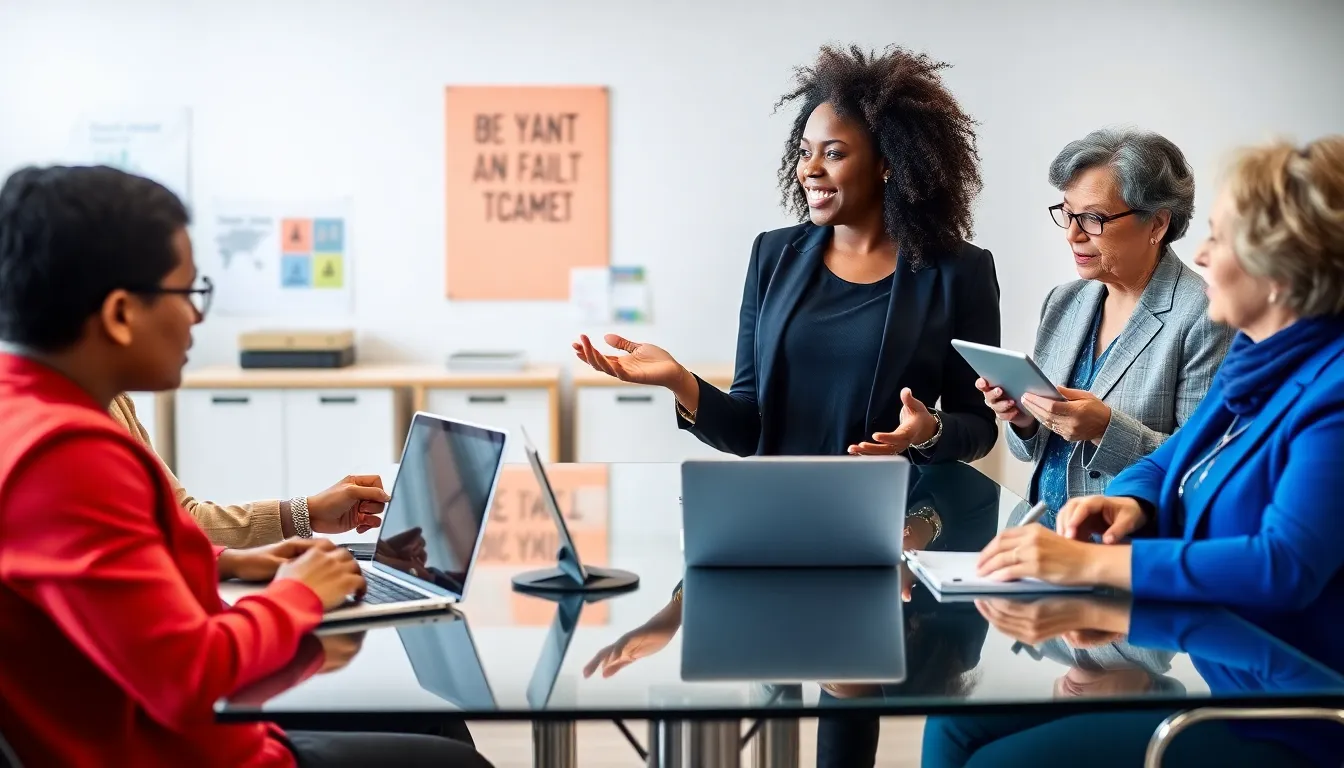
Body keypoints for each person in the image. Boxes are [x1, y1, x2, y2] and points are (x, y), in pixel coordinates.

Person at [0, 165, 491, 767]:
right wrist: (296, 601)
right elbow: (187, 678)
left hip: (194, 731)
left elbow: (110, 575)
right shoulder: (67, 456)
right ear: (121, 313)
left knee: (430, 717)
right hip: (191, 752)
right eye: (188, 294)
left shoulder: (30, 412)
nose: (197, 320)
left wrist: (232, 562)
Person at [974, 136, 1344, 762]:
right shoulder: (1257, 358)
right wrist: (1135, 503)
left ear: (1281, 271)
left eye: (1221, 239)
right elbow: (1172, 461)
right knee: (951, 726)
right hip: (1214, 651)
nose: (1201, 252)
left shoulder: (1330, 394)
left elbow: (1282, 566)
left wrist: (1089, 567)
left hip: (1280, 711)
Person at [573, 44, 1000, 462]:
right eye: (804, 151)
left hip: (890, 514)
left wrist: (929, 431)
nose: (809, 169)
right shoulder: (773, 256)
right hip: (778, 508)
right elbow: (746, 430)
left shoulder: (960, 271)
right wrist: (681, 382)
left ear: (887, 164)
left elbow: (979, 429)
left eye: (833, 153)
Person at [979, 128, 1232, 523]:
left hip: (1120, 549)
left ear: (1157, 224)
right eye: (1067, 213)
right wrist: (1023, 418)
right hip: (1038, 530)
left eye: (1093, 218)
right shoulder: (1064, 301)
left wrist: (1105, 429)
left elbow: (1203, 467)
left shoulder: (1204, 314)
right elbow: (1029, 450)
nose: (1072, 234)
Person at [110, 393, 389, 547]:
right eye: (186, 295)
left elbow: (180, 521)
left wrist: (307, 512)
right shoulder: (83, 432)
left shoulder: (114, 400)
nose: (195, 316)